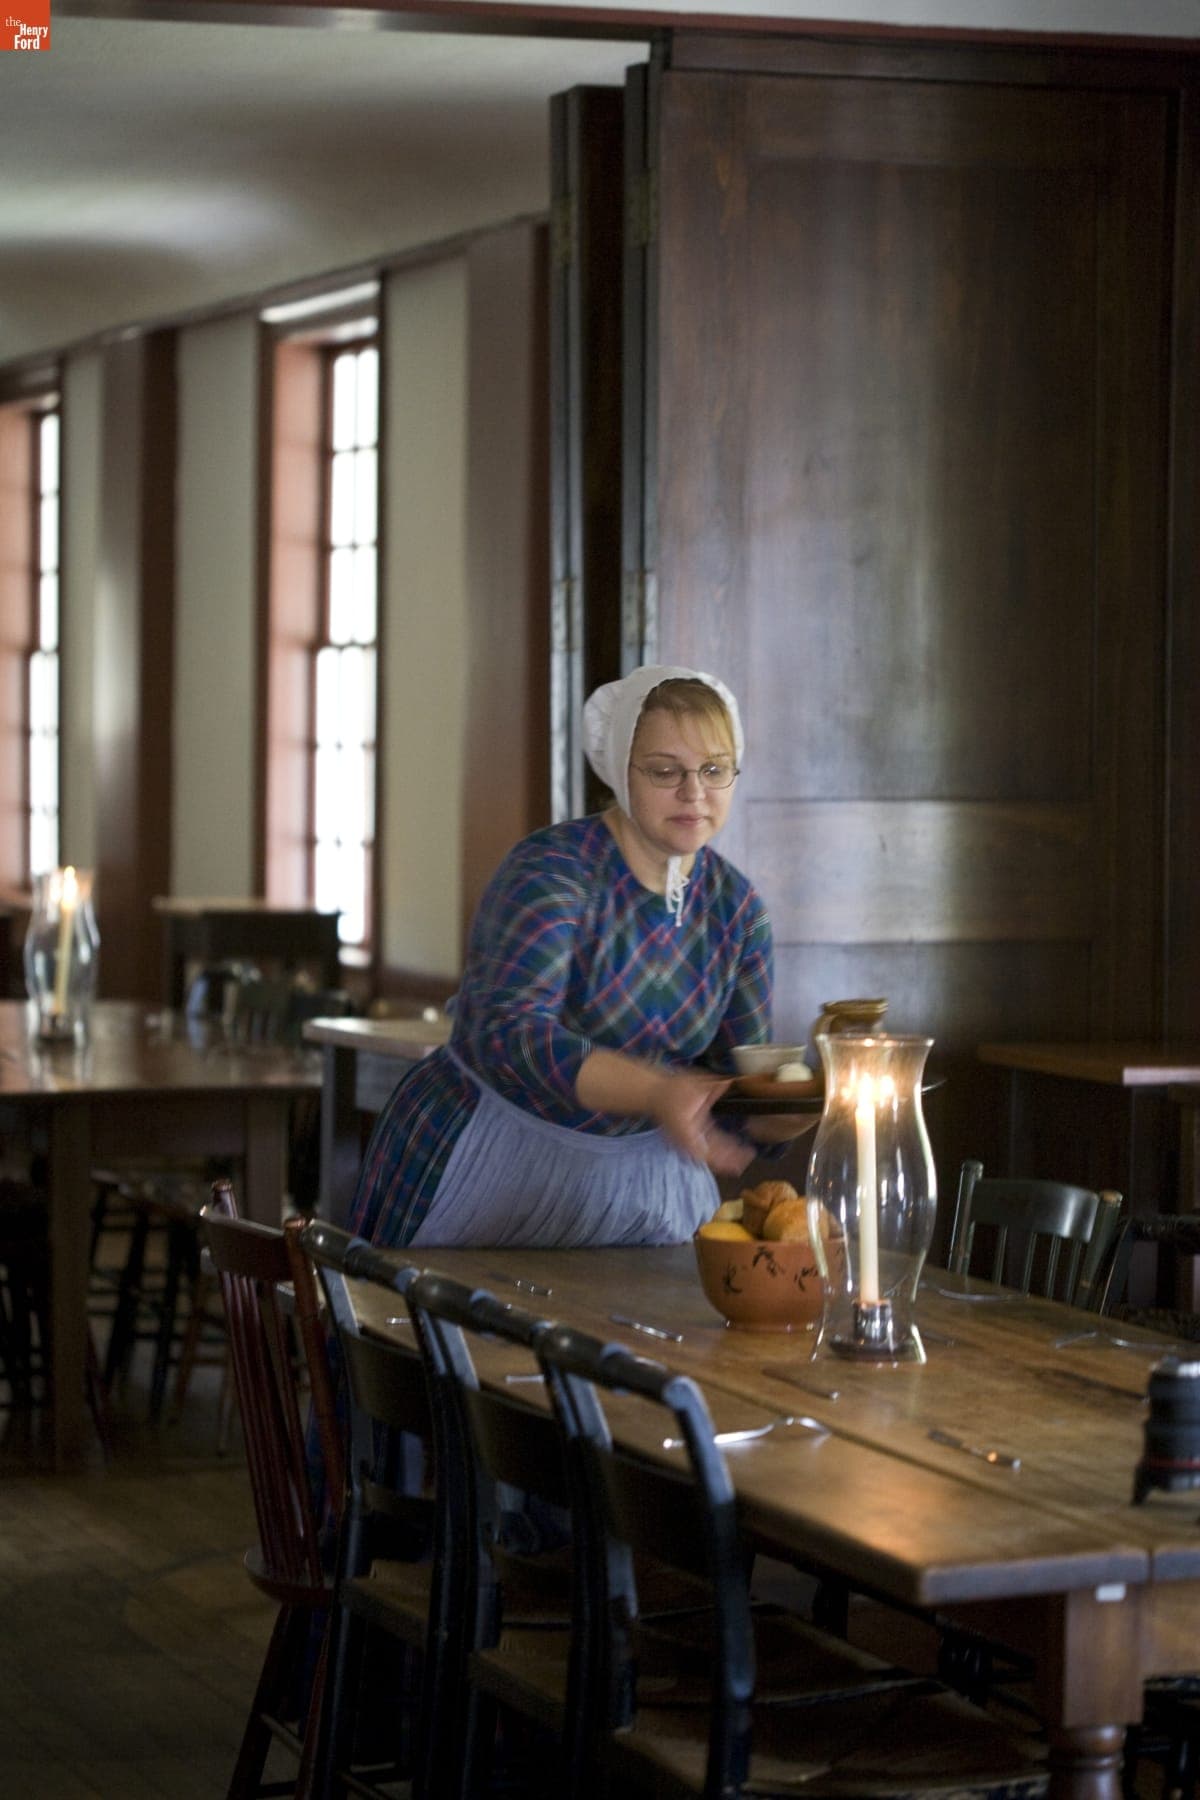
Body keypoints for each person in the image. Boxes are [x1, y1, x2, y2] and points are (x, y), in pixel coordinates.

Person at [351, 664, 788, 1250]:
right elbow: (511, 1034)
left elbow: (733, 1085)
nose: (694, 792)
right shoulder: (554, 870)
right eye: (665, 771)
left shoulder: (738, 910)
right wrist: (656, 1092)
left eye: (714, 769)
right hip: (495, 1165)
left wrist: (794, 1108)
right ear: (619, 768)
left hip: (643, 1194)